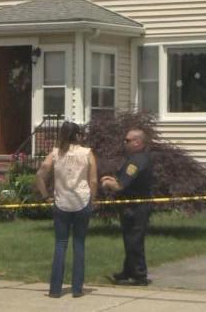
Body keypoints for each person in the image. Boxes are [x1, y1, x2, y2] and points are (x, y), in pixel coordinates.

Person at [36, 121, 98, 298]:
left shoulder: (55, 154)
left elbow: (40, 174)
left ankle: (55, 289)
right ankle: (77, 289)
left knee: (60, 244)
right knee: (79, 244)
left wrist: (45, 195)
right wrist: (92, 200)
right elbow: (93, 181)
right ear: (78, 135)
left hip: (62, 202)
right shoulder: (87, 153)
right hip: (82, 201)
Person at [100, 127, 154, 286]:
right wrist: (112, 178)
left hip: (136, 207)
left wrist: (107, 183)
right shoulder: (136, 158)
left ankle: (139, 275)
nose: (125, 143)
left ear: (138, 142)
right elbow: (124, 180)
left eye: (127, 140)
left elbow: (121, 186)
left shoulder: (137, 161)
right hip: (131, 205)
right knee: (129, 239)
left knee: (134, 240)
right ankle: (128, 271)